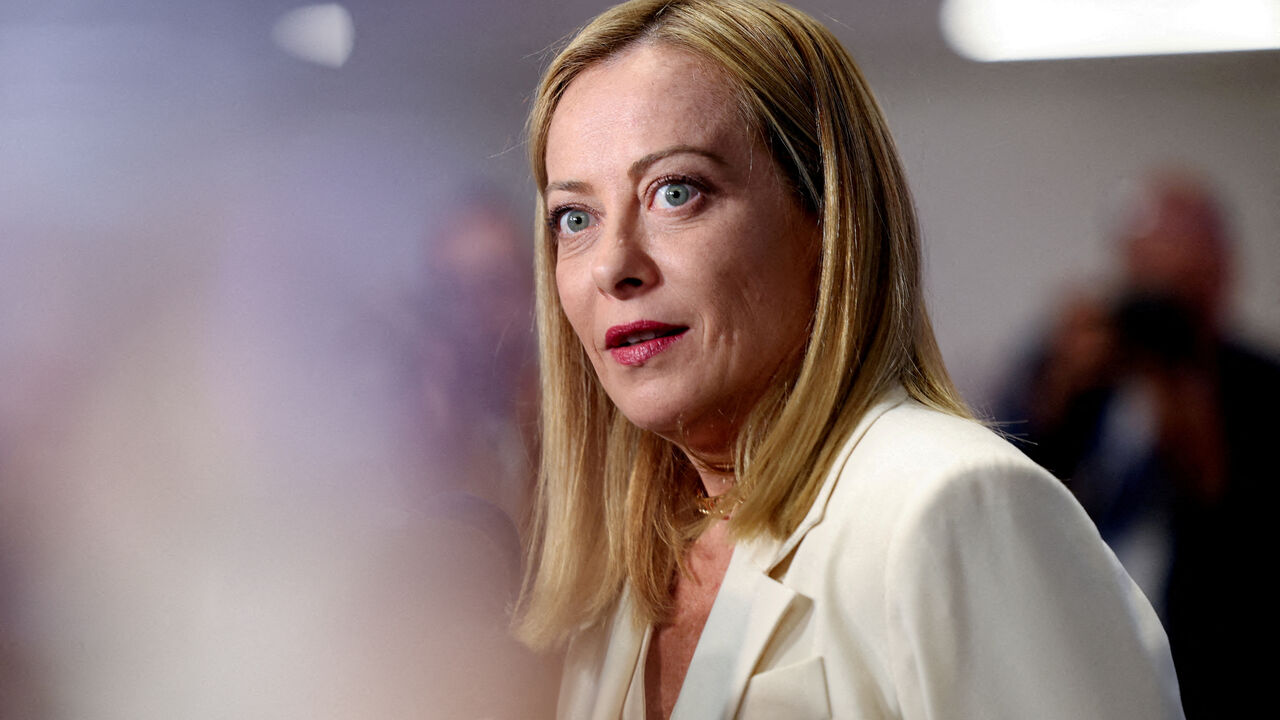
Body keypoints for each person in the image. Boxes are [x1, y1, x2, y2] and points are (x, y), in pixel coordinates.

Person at [514, 1, 1183, 718]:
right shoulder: (621, 582)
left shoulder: (954, 507)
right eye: (574, 218)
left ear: (827, 218)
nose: (615, 265)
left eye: (677, 192)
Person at [999, 170, 1280, 717]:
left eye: (1180, 283)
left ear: (1221, 275)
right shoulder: (1087, 371)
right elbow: (1014, 490)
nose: (1159, 307)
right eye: (1143, 273)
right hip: (1081, 661)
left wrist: (1188, 405)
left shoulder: (1260, 388)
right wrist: (1058, 389)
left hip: (1214, 672)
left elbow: (1247, 539)